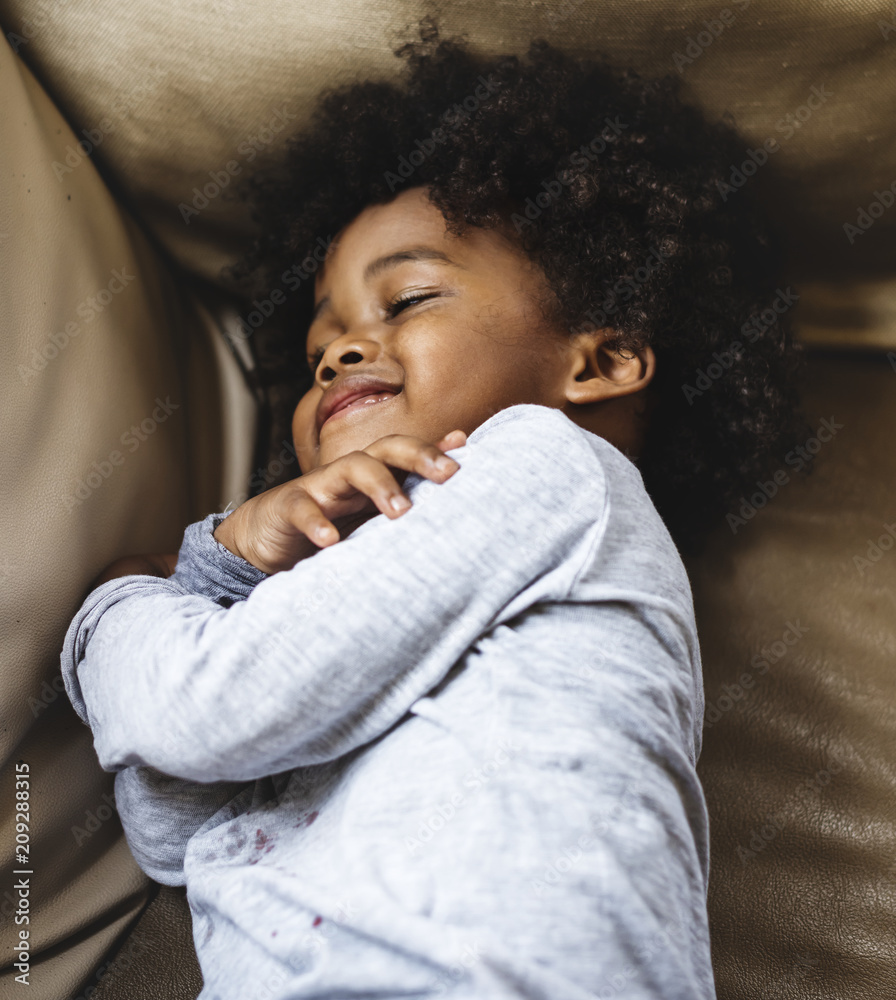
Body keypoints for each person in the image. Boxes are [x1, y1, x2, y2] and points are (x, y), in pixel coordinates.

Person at [61, 18, 813, 1000]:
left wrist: (121, 606)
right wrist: (229, 579)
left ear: (600, 360)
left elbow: (193, 711)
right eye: (319, 340)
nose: (334, 352)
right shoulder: (336, 590)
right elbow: (176, 828)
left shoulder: (547, 470)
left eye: (405, 300)